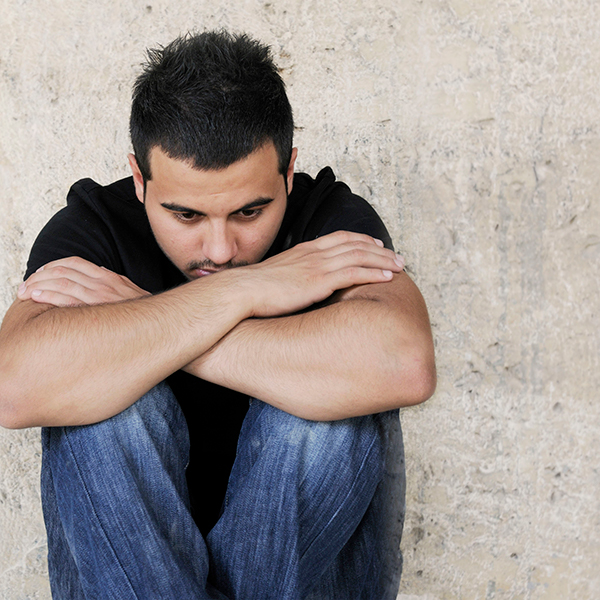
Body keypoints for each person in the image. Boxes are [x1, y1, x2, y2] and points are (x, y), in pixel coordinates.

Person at [0, 30, 435, 599]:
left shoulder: (328, 221)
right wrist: (246, 293)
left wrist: (152, 320)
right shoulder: (96, 228)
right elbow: (14, 389)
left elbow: (402, 363)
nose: (222, 250)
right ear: (139, 179)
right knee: (103, 413)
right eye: (185, 215)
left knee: (324, 417)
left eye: (250, 211)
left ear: (288, 171)